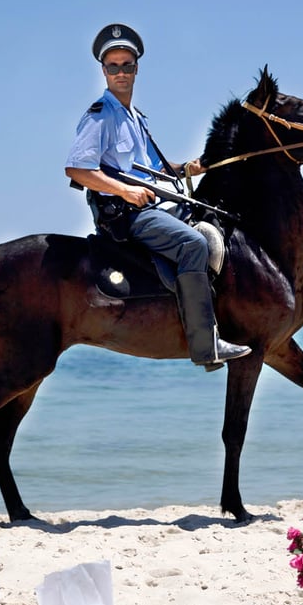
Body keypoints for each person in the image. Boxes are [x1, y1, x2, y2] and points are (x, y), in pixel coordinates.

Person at [65, 23, 251, 370]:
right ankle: (204, 344)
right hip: (125, 214)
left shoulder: (137, 119)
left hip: (152, 204)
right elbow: (77, 169)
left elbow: (152, 171)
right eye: (113, 66)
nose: (121, 72)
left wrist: (186, 169)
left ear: (137, 69)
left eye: (127, 65)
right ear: (104, 71)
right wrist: (125, 190)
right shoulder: (99, 117)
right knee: (194, 244)